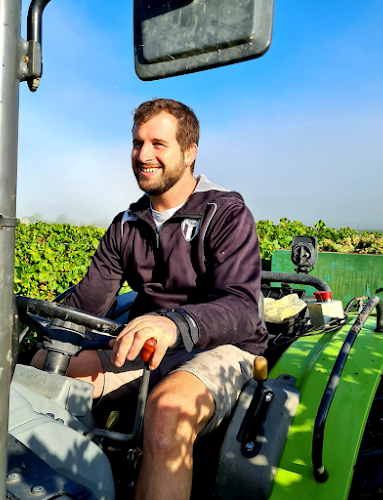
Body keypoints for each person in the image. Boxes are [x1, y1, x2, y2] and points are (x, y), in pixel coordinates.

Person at [32, 98, 267, 500]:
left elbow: (242, 306)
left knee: (168, 410)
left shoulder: (226, 213)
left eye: (159, 144)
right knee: (42, 372)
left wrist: (174, 322)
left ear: (190, 152)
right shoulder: (128, 223)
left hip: (223, 345)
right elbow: (88, 303)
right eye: (138, 143)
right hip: (145, 342)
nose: (144, 155)